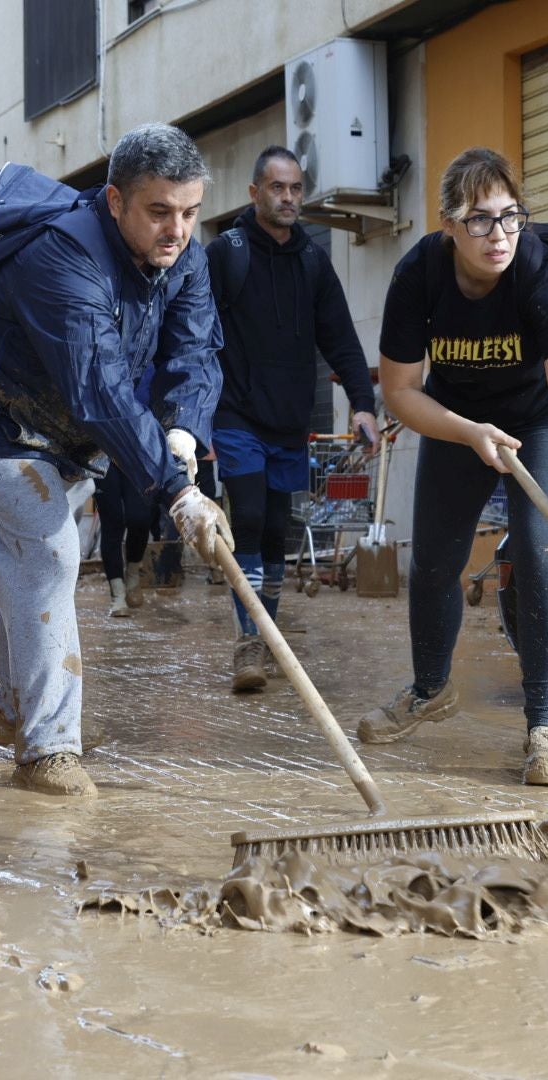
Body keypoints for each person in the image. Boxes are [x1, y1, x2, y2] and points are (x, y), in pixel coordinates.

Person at [0, 123, 228, 798]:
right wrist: (176, 490)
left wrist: (183, 434)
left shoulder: (185, 257)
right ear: (115, 201)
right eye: (158, 212)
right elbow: (101, 386)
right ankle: (47, 751)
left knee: (35, 569)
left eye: (189, 212)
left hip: (70, 437)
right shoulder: (61, 256)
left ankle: (11, 708)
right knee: (53, 555)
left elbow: (196, 353)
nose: (176, 230)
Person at [356, 148, 548, 786]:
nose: (499, 236)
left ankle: (545, 727)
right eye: (479, 221)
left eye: (510, 216)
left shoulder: (543, 275)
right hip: (457, 418)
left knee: (546, 555)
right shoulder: (419, 277)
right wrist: (467, 432)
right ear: (447, 227)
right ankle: (431, 688)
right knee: (434, 561)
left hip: (538, 419)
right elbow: (402, 392)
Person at [206, 145, 379, 691]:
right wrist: (186, 415)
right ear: (254, 192)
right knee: (250, 516)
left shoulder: (312, 261)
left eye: (296, 188)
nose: (288, 198)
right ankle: (248, 642)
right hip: (235, 415)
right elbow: (188, 335)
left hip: (288, 421)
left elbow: (342, 340)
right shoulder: (225, 254)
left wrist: (363, 405)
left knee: (278, 529)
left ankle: (268, 636)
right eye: (277, 188)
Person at [94, 466, 156, 617]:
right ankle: (118, 594)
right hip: (104, 457)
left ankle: (133, 576)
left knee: (140, 519)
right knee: (112, 521)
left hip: (134, 456)